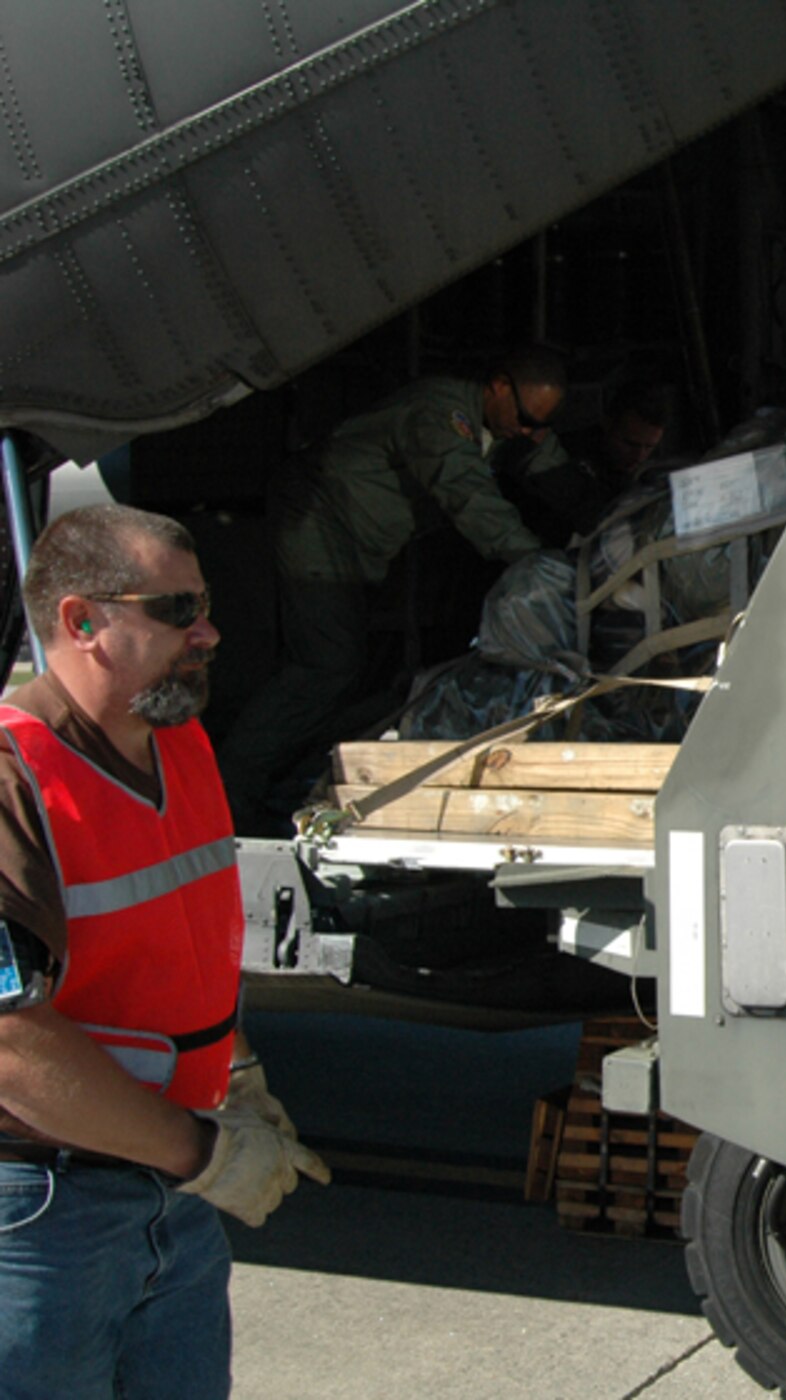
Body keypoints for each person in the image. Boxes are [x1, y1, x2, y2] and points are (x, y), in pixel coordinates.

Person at [0, 503, 329, 1399]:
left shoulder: (178, 746)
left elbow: (179, 947)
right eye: (176, 611)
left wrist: (240, 1069)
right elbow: (11, 1046)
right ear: (82, 623)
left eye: (206, 605)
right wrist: (206, 1156)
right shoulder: (13, 776)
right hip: (41, 1215)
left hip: (170, 1200)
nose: (209, 633)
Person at [218, 345, 567, 831]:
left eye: (539, 424)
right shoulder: (439, 417)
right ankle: (228, 791)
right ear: (499, 387)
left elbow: (549, 465)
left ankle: (282, 782)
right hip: (320, 516)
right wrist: (541, 563)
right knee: (325, 665)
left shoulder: (508, 424)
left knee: (354, 671)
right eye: (526, 418)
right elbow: (467, 494)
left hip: (359, 539)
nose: (528, 431)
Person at [503, 380, 675, 547]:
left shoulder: (656, 470)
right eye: (630, 444)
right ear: (607, 424)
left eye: (649, 447)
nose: (639, 455)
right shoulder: (564, 461)